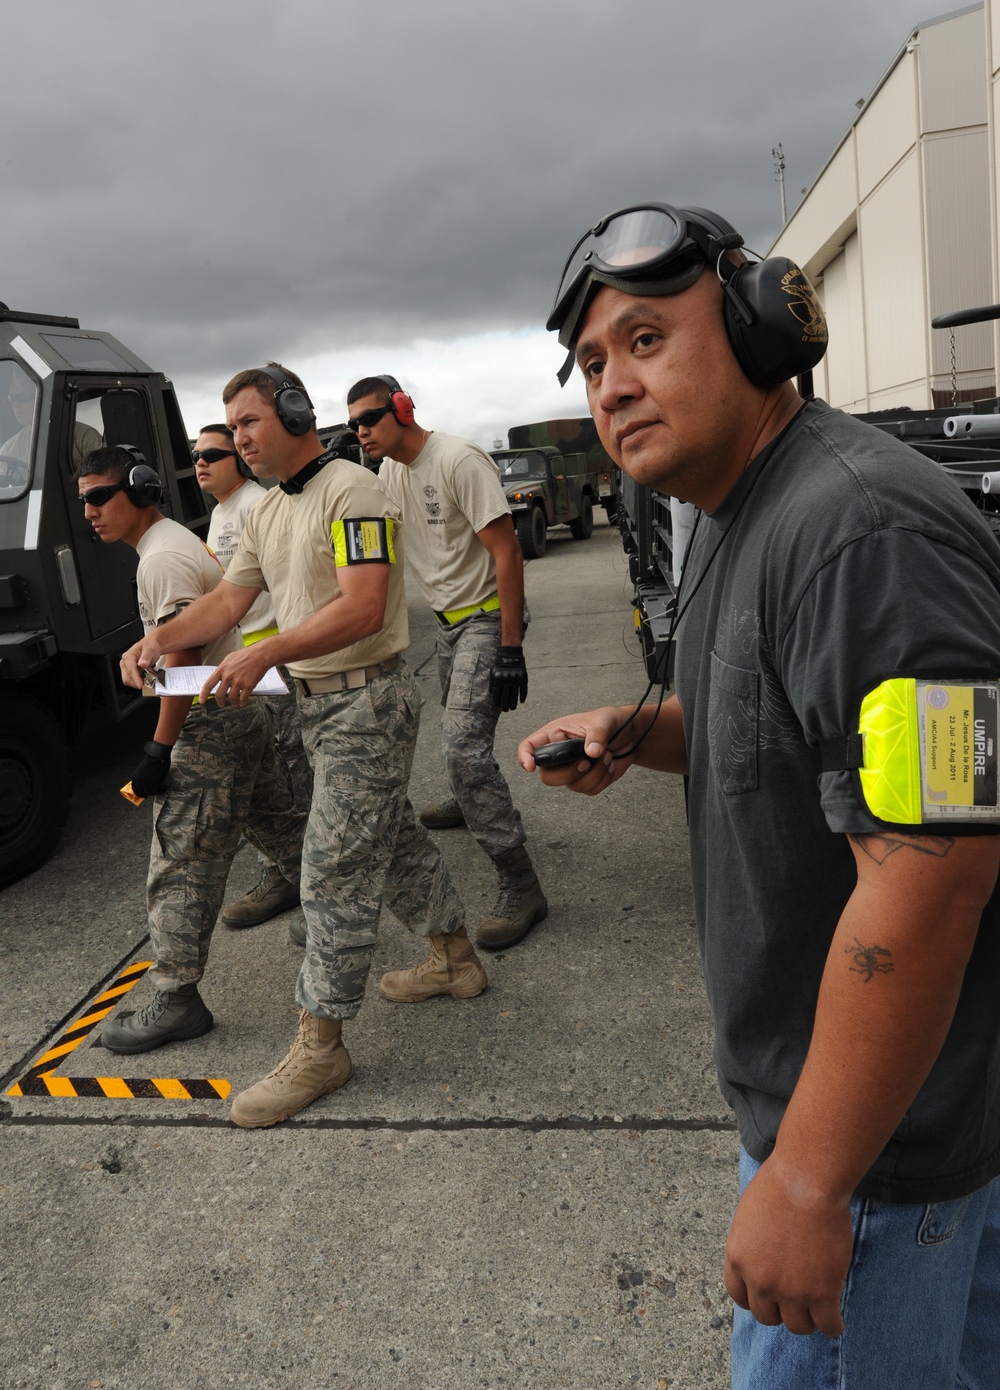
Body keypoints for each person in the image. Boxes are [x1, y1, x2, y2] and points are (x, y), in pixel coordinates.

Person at [519, 202, 1000, 1388]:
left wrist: (805, 1181)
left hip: (872, 1164)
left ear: (756, 330)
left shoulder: (862, 532)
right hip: (871, 1133)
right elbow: (797, 735)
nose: (612, 386)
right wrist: (644, 734)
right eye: (591, 364)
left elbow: (935, 866)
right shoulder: (739, 515)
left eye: (644, 340)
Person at [120, 364, 486, 1130]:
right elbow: (227, 599)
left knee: (330, 868)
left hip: (367, 701)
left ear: (293, 413)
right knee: (394, 840)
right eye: (232, 428)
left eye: (250, 422)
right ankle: (456, 959)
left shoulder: (352, 491)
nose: (239, 440)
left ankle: (321, 1046)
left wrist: (264, 652)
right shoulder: (264, 512)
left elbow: (361, 607)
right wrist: (159, 638)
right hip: (320, 708)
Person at [77, 444, 306, 1053]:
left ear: (138, 490)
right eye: (84, 501)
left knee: (178, 863)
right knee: (279, 825)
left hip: (208, 722)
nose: (90, 511)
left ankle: (177, 997)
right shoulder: (168, 543)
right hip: (239, 710)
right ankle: (332, 907)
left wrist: (158, 750)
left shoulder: (163, 559)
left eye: (100, 496)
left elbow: (180, 659)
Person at [330, 373, 546, 952]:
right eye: (353, 424)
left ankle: (519, 881)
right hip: (449, 627)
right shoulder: (390, 473)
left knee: (462, 745)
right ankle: (466, 793)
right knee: (461, 740)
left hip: (486, 616)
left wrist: (509, 647)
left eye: (369, 419)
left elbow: (508, 551)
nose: (361, 431)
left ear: (401, 408)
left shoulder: (458, 460)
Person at [192, 422, 313, 930]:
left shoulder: (255, 505)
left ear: (239, 462)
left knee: (295, 768)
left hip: (273, 654)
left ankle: (312, 884)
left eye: (213, 455)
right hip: (248, 656)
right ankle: (286, 872)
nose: (200, 463)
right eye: (196, 455)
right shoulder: (221, 512)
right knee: (269, 774)